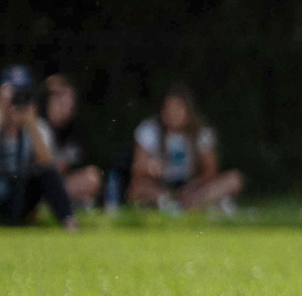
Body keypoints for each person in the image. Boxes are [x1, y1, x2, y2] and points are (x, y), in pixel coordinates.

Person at [129, 84, 244, 214]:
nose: (172, 113)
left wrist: (194, 185)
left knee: (234, 179)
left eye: (178, 108)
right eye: (168, 108)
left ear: (188, 110)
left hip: (191, 186)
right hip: (162, 186)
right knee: (137, 188)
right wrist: (150, 168)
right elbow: (137, 166)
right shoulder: (150, 130)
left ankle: (190, 205)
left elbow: (210, 170)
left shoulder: (201, 133)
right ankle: (172, 204)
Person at [0, 66, 76, 230]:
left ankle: (69, 223)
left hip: (21, 196)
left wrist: (31, 124)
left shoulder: (38, 128)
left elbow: (47, 163)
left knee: (48, 172)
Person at [41, 75, 102, 207]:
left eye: (70, 103)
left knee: (92, 176)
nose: (67, 108)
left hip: (59, 182)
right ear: (49, 101)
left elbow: (68, 166)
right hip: (37, 183)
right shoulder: (38, 125)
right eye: (61, 102)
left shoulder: (75, 129)